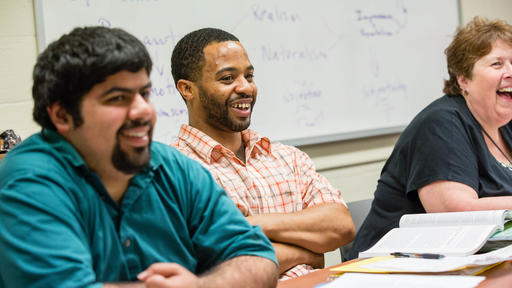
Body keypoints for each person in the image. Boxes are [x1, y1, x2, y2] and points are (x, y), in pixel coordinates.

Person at [0, 26, 278, 287]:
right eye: (118, 99)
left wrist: (203, 285)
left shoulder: (172, 166)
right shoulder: (29, 181)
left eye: (144, 94)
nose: (143, 111)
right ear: (62, 115)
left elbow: (258, 258)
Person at [170, 28, 355, 280]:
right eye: (227, 79)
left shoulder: (287, 158)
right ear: (187, 89)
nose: (245, 88)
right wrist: (306, 253)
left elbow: (341, 226)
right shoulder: (174, 172)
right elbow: (213, 267)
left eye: (249, 76)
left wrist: (251, 224)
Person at [349, 17, 512, 259]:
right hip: (392, 268)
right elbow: (457, 213)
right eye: (497, 64)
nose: (509, 72)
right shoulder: (441, 123)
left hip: (476, 261)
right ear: (463, 79)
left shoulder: (505, 124)